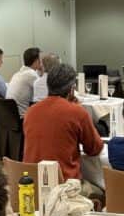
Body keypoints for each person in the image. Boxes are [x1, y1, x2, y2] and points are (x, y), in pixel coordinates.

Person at [24, 63, 104, 193]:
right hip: (64, 187)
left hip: (32, 185)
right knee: (101, 192)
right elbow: (94, 148)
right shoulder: (76, 112)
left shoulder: (31, 112)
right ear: (72, 89)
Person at [6, 46, 42, 116]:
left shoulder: (17, 74)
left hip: (11, 117)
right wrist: (44, 71)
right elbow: (45, 92)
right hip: (23, 117)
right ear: (37, 61)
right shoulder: (31, 74)